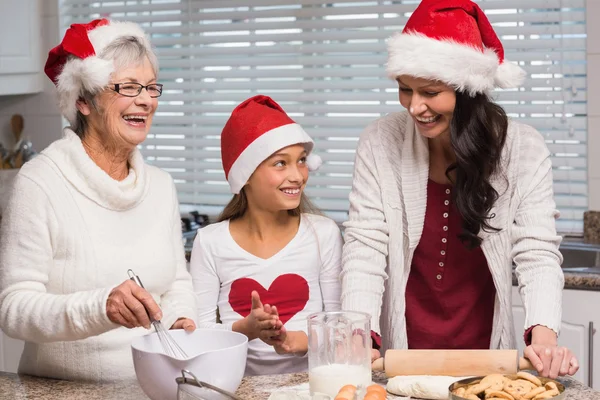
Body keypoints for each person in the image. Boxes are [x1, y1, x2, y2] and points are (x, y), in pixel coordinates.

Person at [341, 0, 579, 379]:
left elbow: (536, 251)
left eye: (430, 93)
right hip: (403, 354)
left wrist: (544, 337)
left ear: (468, 92)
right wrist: (359, 335)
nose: (415, 107)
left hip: (485, 354)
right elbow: (365, 246)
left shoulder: (522, 148)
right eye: (405, 90)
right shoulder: (379, 141)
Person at [0, 19, 197, 382]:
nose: (146, 100)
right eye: (128, 87)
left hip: (153, 387)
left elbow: (176, 284)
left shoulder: (161, 186)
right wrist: (101, 307)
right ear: (82, 101)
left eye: (152, 87)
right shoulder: (41, 182)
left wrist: (181, 319)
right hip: (62, 390)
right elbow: (13, 309)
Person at [190, 95, 343, 376]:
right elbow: (200, 333)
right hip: (236, 385)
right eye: (280, 163)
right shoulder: (210, 241)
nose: (298, 176)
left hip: (311, 385)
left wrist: (296, 341)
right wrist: (246, 329)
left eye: (301, 161)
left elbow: (339, 326)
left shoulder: (323, 233)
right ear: (245, 174)